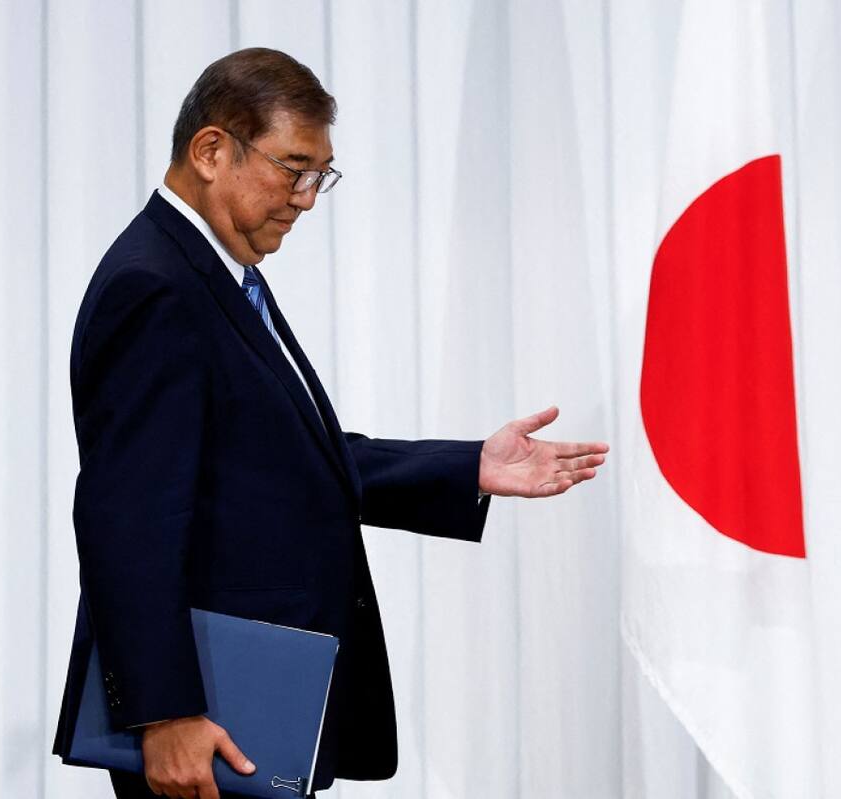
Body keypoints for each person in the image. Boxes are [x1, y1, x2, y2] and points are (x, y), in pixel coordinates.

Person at [50, 47, 608, 799]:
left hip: (255, 715)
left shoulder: (216, 271)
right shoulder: (157, 287)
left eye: (321, 175)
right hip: (204, 723)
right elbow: (128, 515)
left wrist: (466, 464)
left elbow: (282, 455)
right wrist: (164, 712)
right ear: (211, 150)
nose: (307, 197)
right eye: (294, 168)